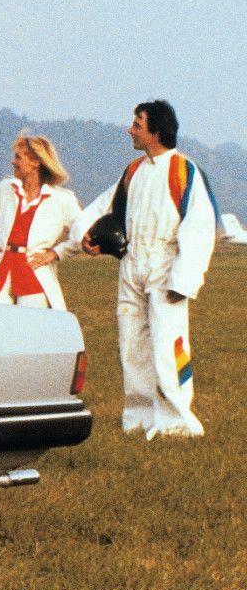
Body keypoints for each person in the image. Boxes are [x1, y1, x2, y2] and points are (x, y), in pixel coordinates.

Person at [70, 100, 217, 439]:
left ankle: (177, 420)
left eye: (137, 124)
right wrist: (85, 237)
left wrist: (184, 278)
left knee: (169, 344)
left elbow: (200, 227)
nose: (130, 130)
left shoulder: (184, 171)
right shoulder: (133, 171)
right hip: (132, 264)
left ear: (156, 131)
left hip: (166, 265)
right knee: (131, 344)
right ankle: (137, 419)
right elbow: (102, 206)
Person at [0, 134, 81, 309]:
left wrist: (56, 253)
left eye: (18, 157)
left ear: (36, 162)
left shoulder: (62, 199)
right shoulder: (7, 188)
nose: (13, 162)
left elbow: (83, 233)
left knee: (32, 327)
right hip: (0, 270)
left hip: (34, 273)